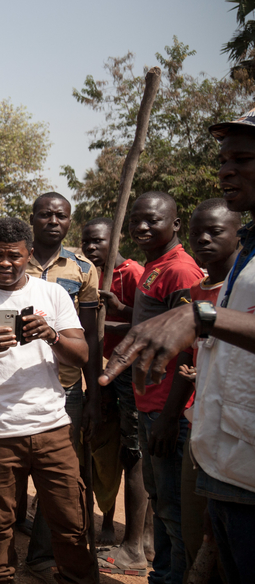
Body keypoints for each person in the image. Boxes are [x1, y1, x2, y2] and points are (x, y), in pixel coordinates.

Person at [101, 106, 255, 584]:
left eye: (243, 159)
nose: (227, 170)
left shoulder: (187, 273)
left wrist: (198, 315)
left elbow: (200, 329)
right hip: (226, 458)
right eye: (224, 159)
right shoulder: (247, 253)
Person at [0, 217, 95, 584]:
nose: (5, 263)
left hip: (51, 427)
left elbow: (83, 354)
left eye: (14, 256)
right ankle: (2, 577)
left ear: (28, 254)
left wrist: (52, 336)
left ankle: (75, 577)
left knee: (70, 519)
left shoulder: (52, 295)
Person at [99, 192, 204, 582]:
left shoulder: (181, 271)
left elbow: (190, 347)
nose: (142, 227)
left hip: (168, 409)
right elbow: (157, 326)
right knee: (161, 501)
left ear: (175, 224)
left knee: (174, 509)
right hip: (149, 404)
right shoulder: (155, 266)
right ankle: (158, 570)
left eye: (153, 221)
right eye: (136, 221)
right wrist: (122, 312)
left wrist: (170, 415)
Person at [22, 192, 100, 581]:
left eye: (61, 216)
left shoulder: (83, 270)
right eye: (46, 214)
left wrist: (94, 394)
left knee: (58, 479)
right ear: (32, 218)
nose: (53, 221)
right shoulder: (11, 260)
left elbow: (91, 337)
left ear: (70, 221)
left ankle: (40, 555)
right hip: (15, 385)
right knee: (6, 471)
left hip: (65, 387)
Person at [178, 198, 241, 580]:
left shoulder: (240, 292)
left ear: (239, 235)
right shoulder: (200, 288)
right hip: (199, 421)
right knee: (195, 529)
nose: (203, 239)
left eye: (215, 232)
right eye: (196, 232)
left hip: (235, 432)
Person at [80, 218, 145, 549]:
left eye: (98, 242)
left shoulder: (132, 272)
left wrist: (115, 320)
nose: (91, 248)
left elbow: (149, 322)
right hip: (101, 373)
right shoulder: (89, 273)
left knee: (130, 448)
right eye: (86, 242)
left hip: (128, 373)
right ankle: (102, 515)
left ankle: (138, 532)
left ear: (114, 241)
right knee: (100, 443)